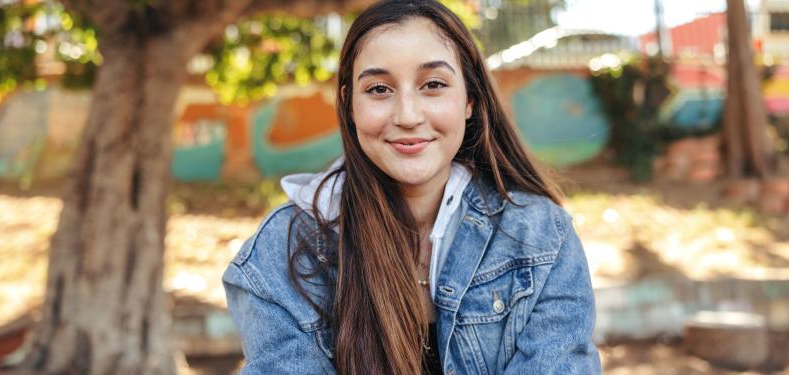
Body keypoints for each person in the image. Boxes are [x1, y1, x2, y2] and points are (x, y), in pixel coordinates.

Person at [222, 1, 601, 374]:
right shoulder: (284, 252)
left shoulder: (541, 239)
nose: (407, 115)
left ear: (470, 99)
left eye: (433, 84)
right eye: (378, 89)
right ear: (349, 104)